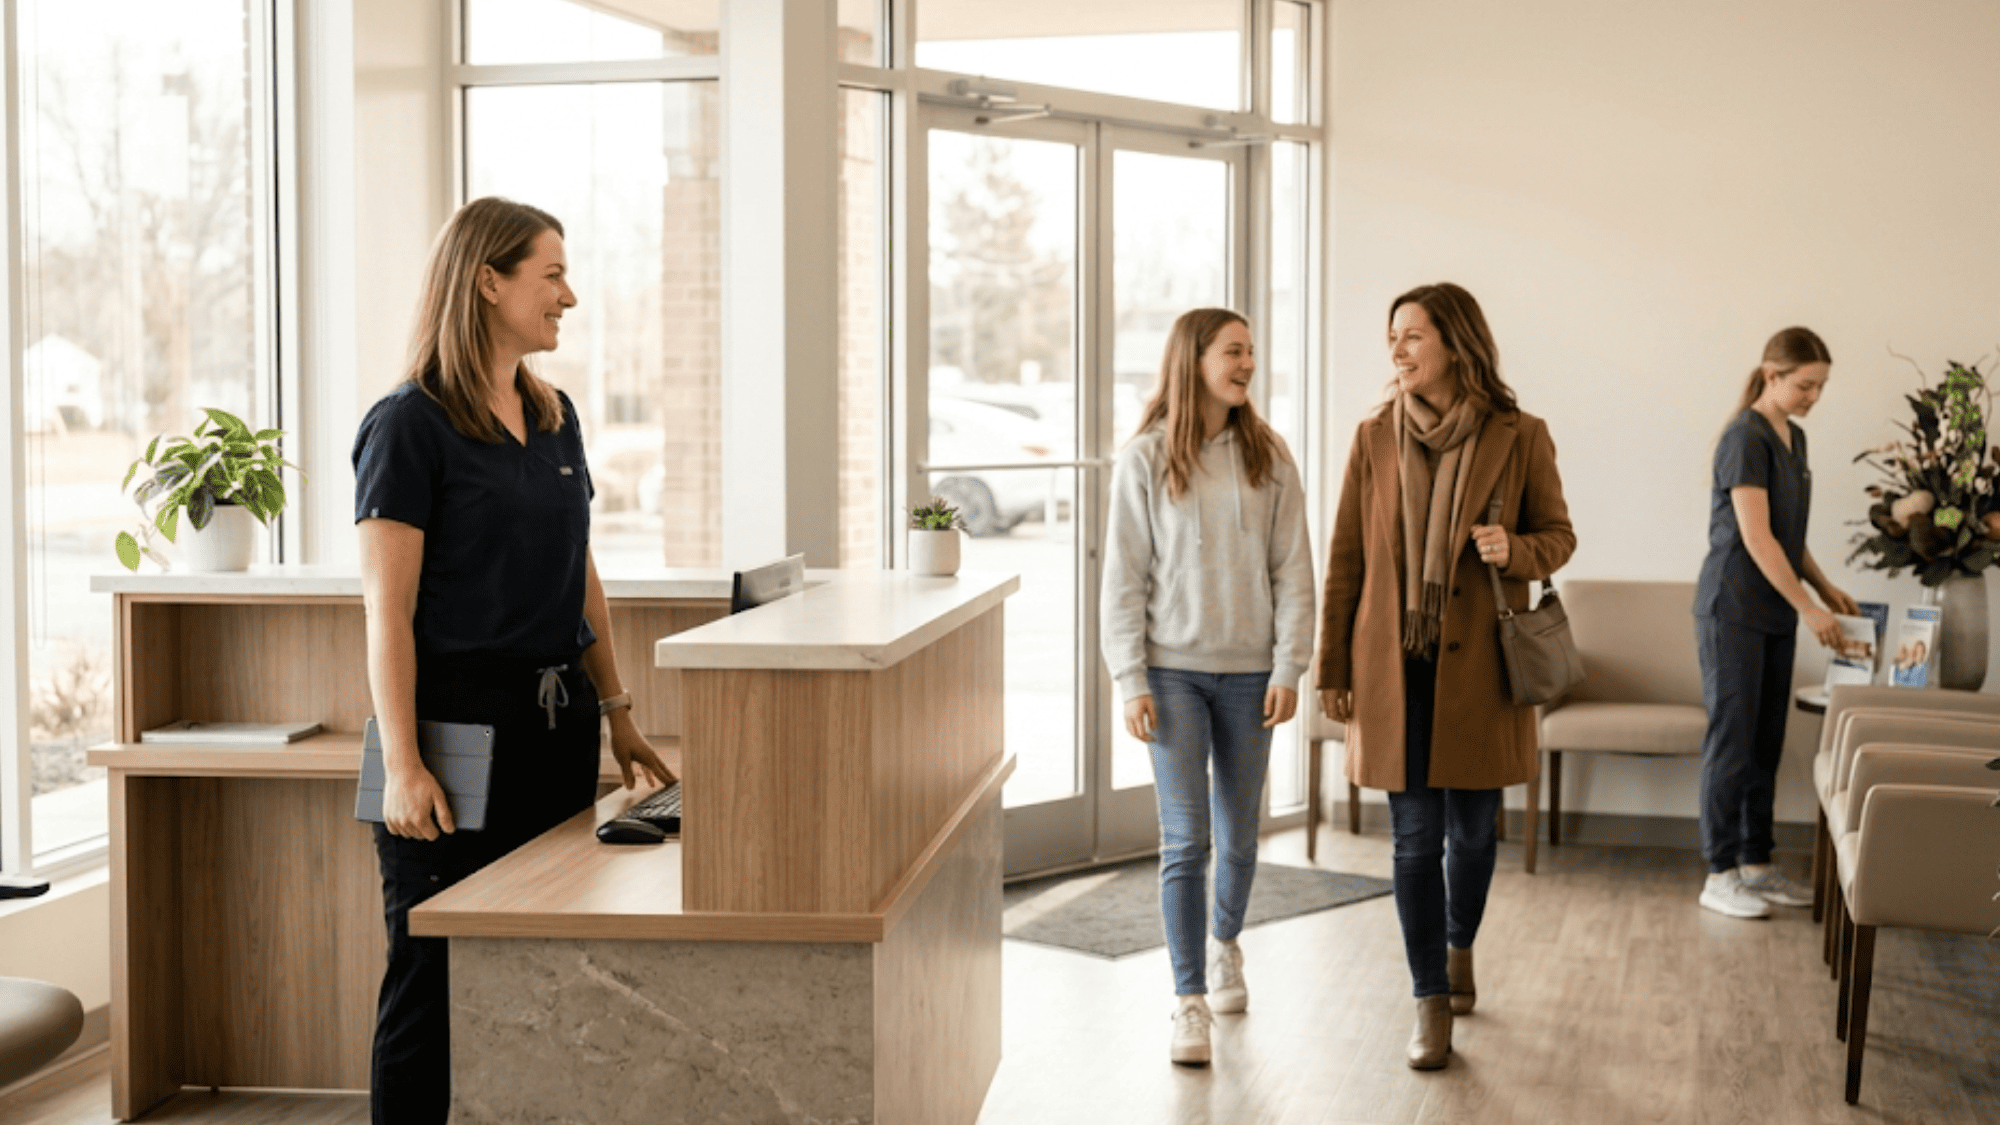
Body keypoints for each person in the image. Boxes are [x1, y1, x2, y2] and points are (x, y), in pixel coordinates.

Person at [353, 197, 672, 1125]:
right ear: (487, 282)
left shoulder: (554, 413)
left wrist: (619, 714)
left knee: (550, 966)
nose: (569, 295)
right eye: (552, 274)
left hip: (553, 725)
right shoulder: (407, 424)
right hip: (447, 737)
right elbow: (388, 611)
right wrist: (405, 765)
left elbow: (584, 580)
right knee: (430, 979)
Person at [1316, 282, 1574, 1070]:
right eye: (1391, 336)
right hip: (1395, 670)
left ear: (1455, 345)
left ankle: (1461, 942)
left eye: (1412, 336)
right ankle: (1430, 999)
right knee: (1412, 839)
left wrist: (1514, 550)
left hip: (1482, 671)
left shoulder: (1519, 433)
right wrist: (1331, 664)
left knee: (1470, 834)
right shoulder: (1373, 436)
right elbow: (1347, 558)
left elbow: (1558, 535)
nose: (1396, 350)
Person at [1100, 308, 1315, 1067]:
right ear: (1193, 360)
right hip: (1171, 672)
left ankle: (1226, 943)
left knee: (1242, 836)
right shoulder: (1146, 459)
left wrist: (1291, 665)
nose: (1248, 362)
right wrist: (1130, 677)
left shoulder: (1269, 455)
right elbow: (1121, 580)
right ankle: (1188, 997)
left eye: (1252, 350)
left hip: (1251, 674)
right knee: (1185, 838)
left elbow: (1295, 571)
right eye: (1234, 349)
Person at [1693, 327, 1857, 920]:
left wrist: (1824, 586)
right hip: (1733, 609)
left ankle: (1756, 865)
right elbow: (1756, 537)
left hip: (1774, 611)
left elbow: (1789, 536)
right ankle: (1719, 872)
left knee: (1766, 740)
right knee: (1733, 741)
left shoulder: (1797, 439)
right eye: (1805, 384)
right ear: (1772, 375)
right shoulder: (1744, 437)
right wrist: (1808, 608)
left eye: (1820, 387)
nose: (1813, 396)